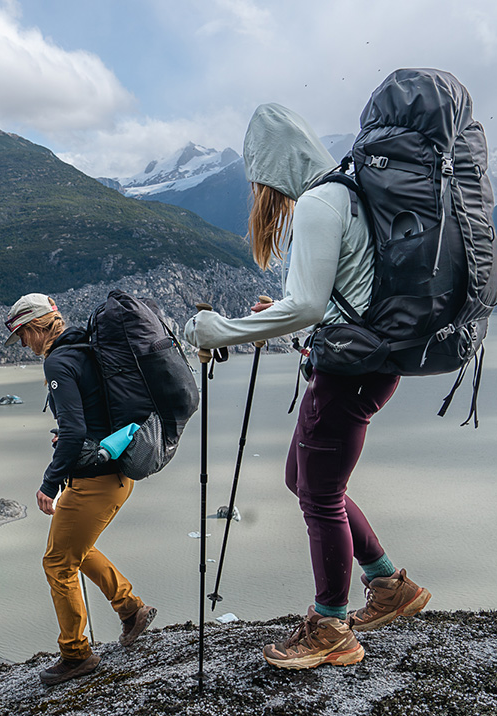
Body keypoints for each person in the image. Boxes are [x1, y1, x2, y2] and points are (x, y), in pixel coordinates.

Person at [183, 104, 431, 670]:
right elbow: (345, 295)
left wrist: (221, 329)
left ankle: (331, 626)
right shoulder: (347, 191)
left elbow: (308, 305)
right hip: (368, 364)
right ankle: (389, 585)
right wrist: (292, 313)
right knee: (304, 479)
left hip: (348, 374)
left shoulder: (321, 201)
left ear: (270, 170)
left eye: (255, 180)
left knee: (319, 495)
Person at [4, 293, 158, 685]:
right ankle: (130, 609)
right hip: (115, 472)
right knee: (77, 549)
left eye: (22, 335)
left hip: (94, 481)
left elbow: (73, 430)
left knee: (57, 563)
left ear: (37, 326)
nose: (23, 344)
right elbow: (90, 419)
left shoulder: (59, 360)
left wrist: (48, 484)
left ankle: (76, 654)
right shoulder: (88, 349)